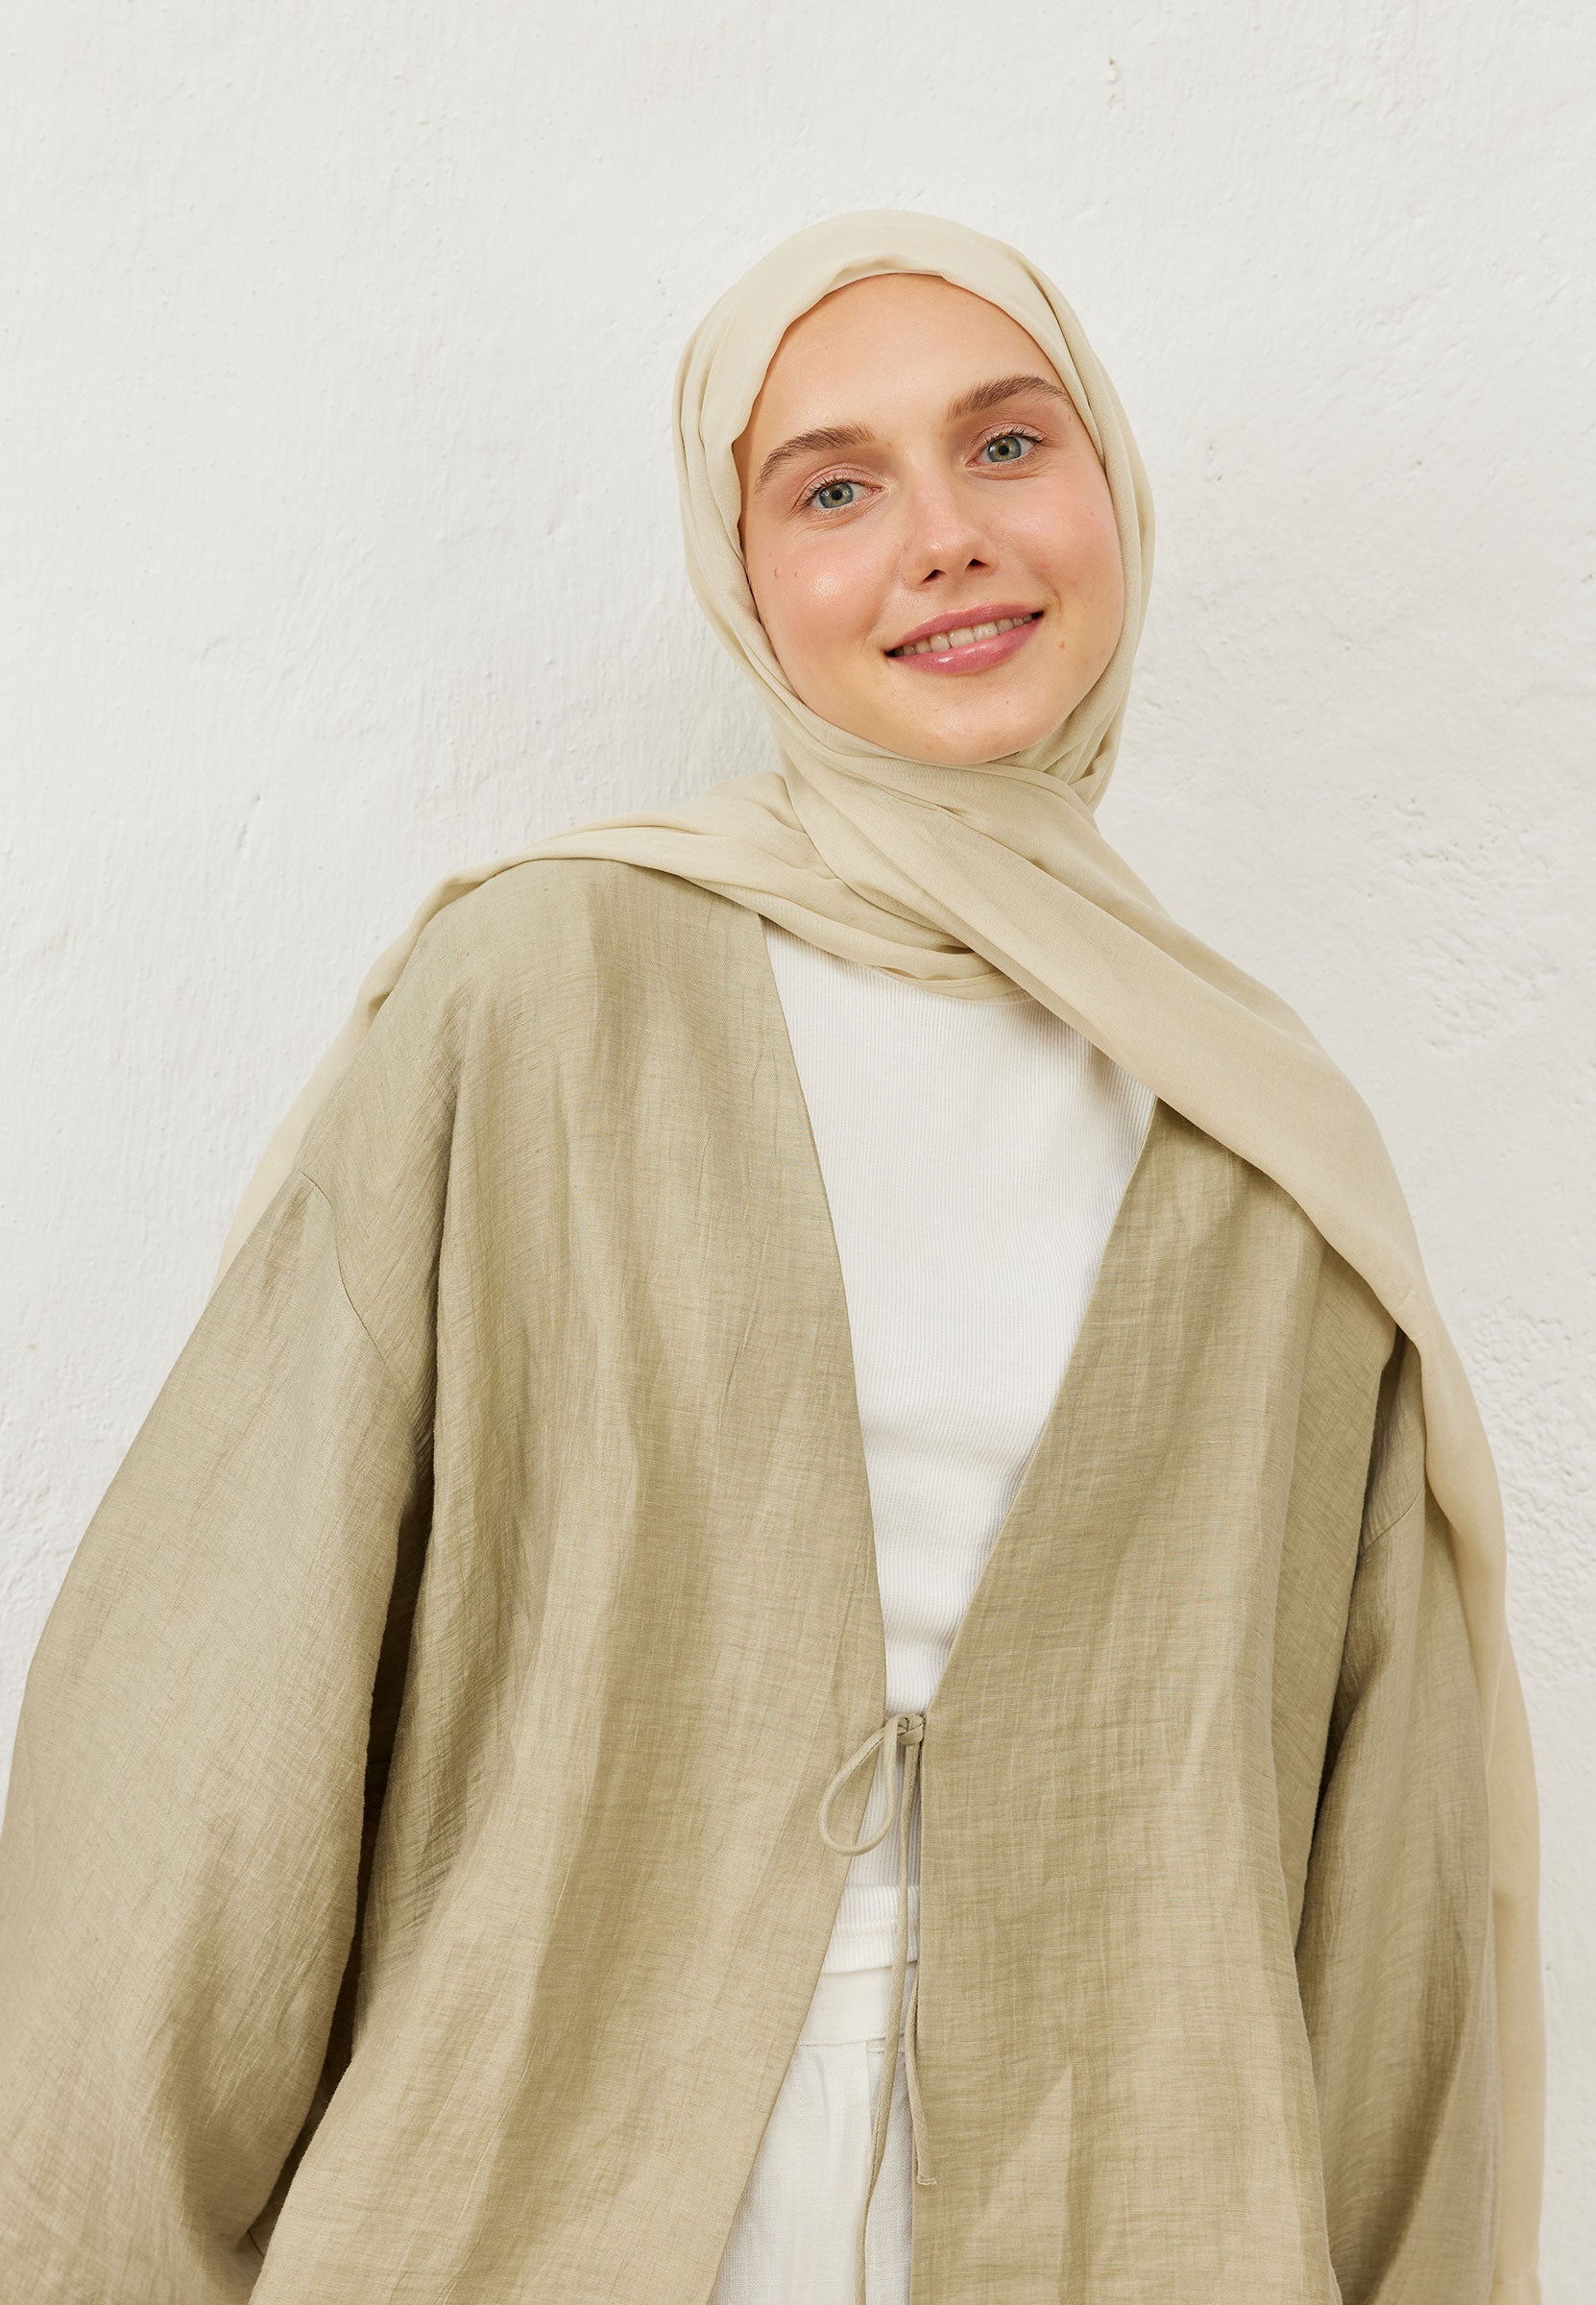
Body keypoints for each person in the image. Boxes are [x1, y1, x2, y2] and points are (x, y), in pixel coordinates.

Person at [0, 211, 1543, 2305]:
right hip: (554, 2172)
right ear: (741, 577)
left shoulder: (1263, 1136)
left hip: (1137, 2194)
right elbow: (215, 1701)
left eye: (1007, 445)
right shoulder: (541, 994)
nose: (944, 538)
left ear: (1109, 491)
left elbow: (1388, 1883)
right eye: (833, 488)